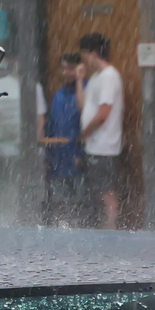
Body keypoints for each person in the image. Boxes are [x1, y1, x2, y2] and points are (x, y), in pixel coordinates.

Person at [76, 33, 124, 229]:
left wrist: (85, 133)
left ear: (93, 53)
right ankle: (100, 227)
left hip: (104, 145)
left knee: (106, 193)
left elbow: (104, 112)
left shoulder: (109, 77)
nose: (84, 60)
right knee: (97, 191)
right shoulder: (96, 77)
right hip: (94, 145)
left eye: (85, 55)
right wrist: (80, 80)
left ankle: (110, 228)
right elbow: (83, 106)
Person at [40, 52, 83, 225]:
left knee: (80, 199)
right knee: (56, 198)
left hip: (76, 156)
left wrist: (80, 152)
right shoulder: (59, 95)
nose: (66, 73)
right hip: (57, 158)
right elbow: (52, 124)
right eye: (64, 69)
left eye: (70, 69)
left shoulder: (84, 92)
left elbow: (84, 123)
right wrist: (47, 153)